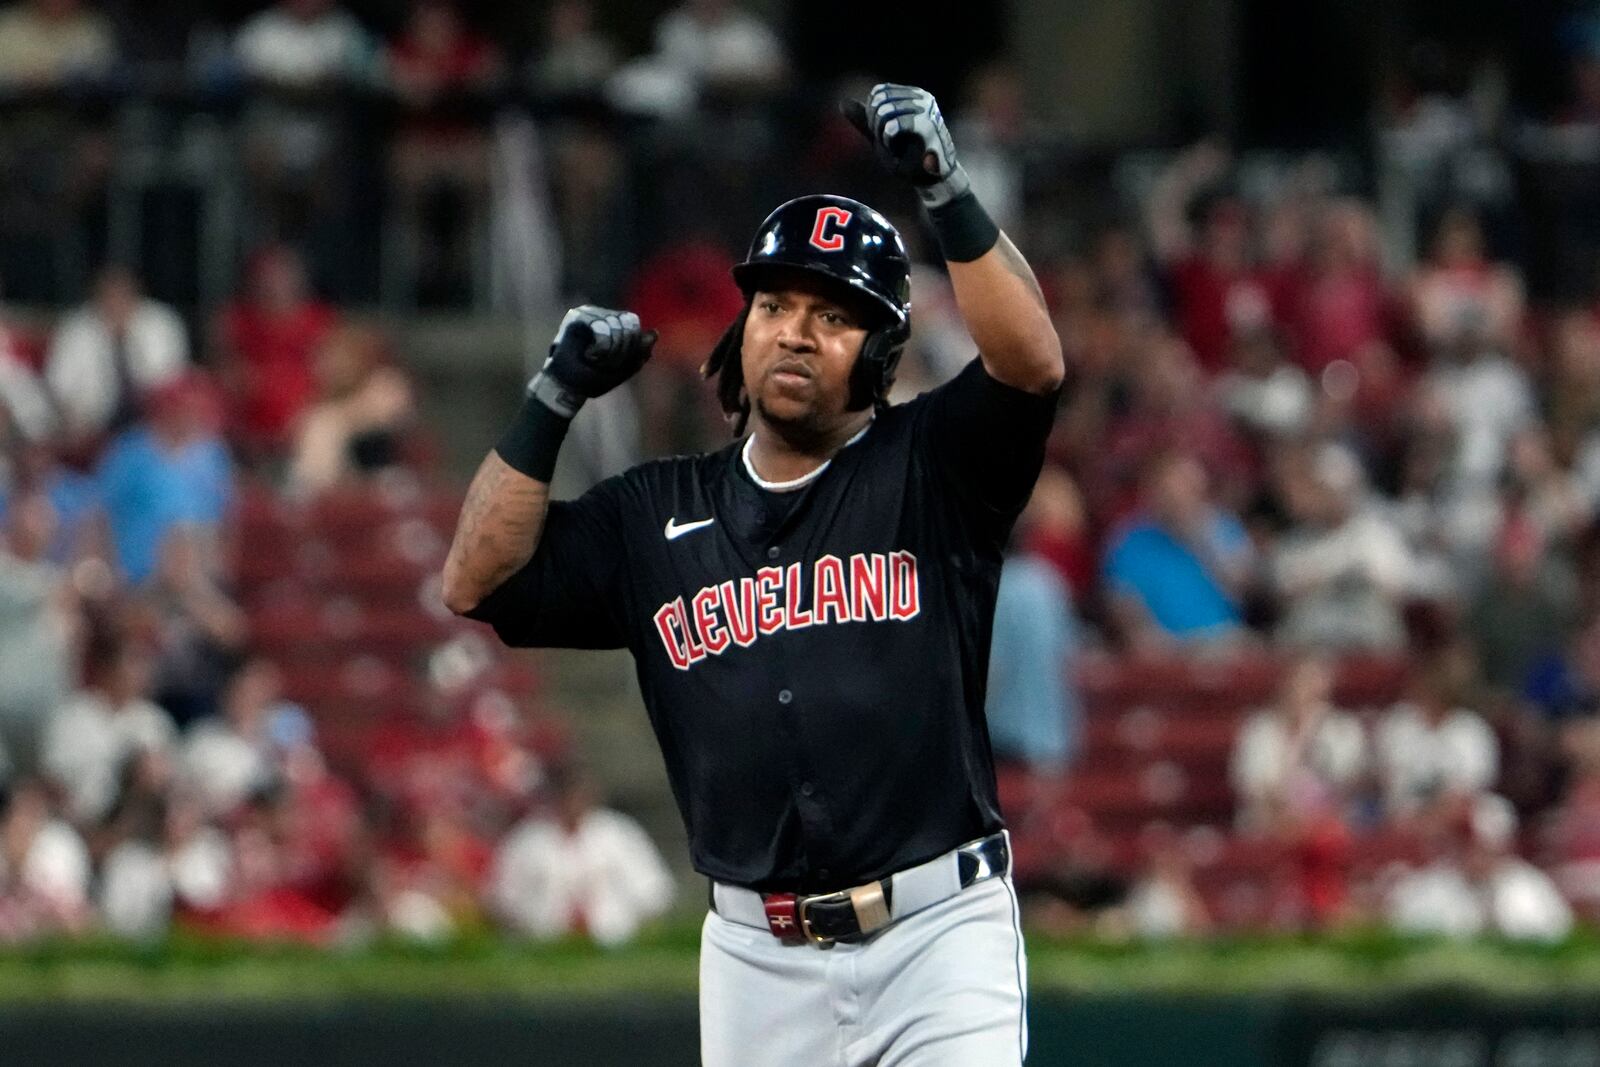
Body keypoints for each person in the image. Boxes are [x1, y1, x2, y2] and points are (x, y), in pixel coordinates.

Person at [444, 83, 1061, 1065]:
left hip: (936, 932)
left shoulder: (930, 467)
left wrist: (944, 185)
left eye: (833, 313)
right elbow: (475, 579)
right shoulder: (651, 512)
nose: (797, 330)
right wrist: (552, 395)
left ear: (881, 349)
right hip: (754, 954)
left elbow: (1030, 365)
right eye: (774, 303)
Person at [488, 762, 675, 946]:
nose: (572, 802)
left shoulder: (618, 834)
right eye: (564, 795)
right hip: (544, 946)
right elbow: (504, 901)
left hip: (615, 943)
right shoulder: (527, 840)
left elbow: (653, 893)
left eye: (577, 794)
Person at [44, 265, 190, 448]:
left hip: (151, 414)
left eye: (122, 296)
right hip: (92, 418)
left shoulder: (162, 322)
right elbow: (58, 384)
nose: (116, 302)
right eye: (109, 296)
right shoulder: (74, 329)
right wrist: (75, 416)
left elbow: (174, 377)